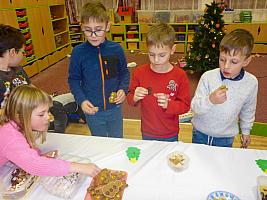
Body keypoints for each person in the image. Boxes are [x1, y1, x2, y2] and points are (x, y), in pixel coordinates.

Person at [0, 85, 101, 177]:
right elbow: (34, 165)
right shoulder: (10, 136)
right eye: (41, 114)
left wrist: (38, 156)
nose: (49, 117)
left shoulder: (15, 124)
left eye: (47, 111)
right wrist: (79, 167)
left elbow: (22, 151)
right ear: (20, 116)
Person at [0, 24, 81, 133]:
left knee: (65, 103)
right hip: (22, 121)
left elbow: (30, 87)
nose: (23, 56)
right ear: (13, 52)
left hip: (36, 109)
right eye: (23, 52)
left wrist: (44, 98)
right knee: (60, 115)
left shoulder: (17, 69)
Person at [68, 1, 130, 138]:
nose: (93, 35)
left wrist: (123, 89)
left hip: (115, 109)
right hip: (93, 111)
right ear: (81, 27)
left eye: (98, 29)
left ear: (107, 26)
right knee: (99, 142)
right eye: (88, 30)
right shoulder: (78, 52)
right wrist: (82, 100)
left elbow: (124, 72)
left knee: (117, 140)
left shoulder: (116, 49)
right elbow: (73, 80)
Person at [191, 29, 258, 148]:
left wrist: (246, 131)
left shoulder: (251, 83)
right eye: (222, 59)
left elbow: (248, 109)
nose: (226, 66)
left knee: (221, 165)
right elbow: (195, 107)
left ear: (246, 61)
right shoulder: (208, 77)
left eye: (234, 62)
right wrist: (210, 100)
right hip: (200, 133)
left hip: (225, 138)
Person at [127, 23, 190, 142]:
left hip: (169, 133)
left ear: (173, 50)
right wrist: (134, 97)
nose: (156, 60)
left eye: (162, 55)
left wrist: (169, 105)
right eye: (151, 54)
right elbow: (130, 99)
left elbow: (185, 106)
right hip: (147, 131)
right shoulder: (139, 72)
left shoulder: (180, 76)